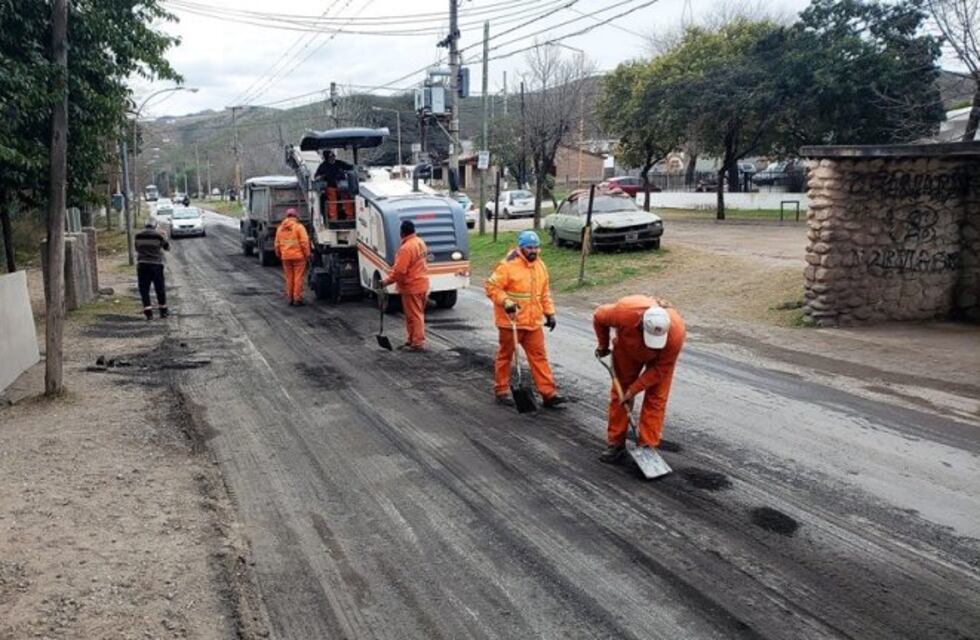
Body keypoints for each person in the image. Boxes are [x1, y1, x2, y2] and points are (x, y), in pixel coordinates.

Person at [593, 295, 686, 463]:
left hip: (660, 359)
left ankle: (647, 447)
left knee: (656, 399)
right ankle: (616, 443)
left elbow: (660, 369)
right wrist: (603, 345)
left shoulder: (676, 333)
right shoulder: (624, 311)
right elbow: (599, 316)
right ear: (641, 324)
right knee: (620, 395)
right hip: (628, 350)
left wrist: (634, 390)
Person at [485, 230, 565, 408]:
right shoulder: (507, 265)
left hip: (533, 323)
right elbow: (491, 287)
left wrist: (550, 313)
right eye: (530, 248)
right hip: (511, 322)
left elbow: (544, 293)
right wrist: (506, 301)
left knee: (539, 357)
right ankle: (501, 390)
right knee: (505, 356)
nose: (534, 251)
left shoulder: (540, 266)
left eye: (536, 247)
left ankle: (549, 394)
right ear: (521, 248)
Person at [381, 220, 430, 352]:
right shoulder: (420, 242)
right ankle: (412, 339)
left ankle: (417, 343)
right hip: (422, 283)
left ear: (402, 233)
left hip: (412, 286)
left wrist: (386, 282)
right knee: (413, 315)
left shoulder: (406, 248)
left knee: (415, 315)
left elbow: (400, 271)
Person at [274, 208, 311, 306]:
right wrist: (307, 254)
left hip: (285, 257)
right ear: (296, 216)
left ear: (287, 216)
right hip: (299, 257)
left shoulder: (280, 228)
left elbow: (277, 244)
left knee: (289, 278)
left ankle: (290, 298)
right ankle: (297, 299)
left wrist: (279, 254)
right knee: (298, 278)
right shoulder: (299, 227)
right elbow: (304, 242)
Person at [134, 219, 170, 320]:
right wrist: (165, 237)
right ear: (155, 226)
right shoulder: (159, 236)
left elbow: (137, 248)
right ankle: (163, 311)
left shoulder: (138, 236)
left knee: (144, 289)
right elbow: (167, 247)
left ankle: (148, 312)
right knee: (159, 288)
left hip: (142, 264)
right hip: (156, 264)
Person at [314, 149, 354, 220]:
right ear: (326, 157)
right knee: (332, 201)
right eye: (330, 156)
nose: (332, 157)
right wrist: (321, 177)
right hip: (331, 186)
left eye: (333, 156)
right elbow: (316, 176)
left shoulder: (339, 163)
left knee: (347, 199)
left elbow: (350, 167)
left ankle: (350, 216)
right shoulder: (323, 166)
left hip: (342, 185)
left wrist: (353, 169)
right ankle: (333, 218)